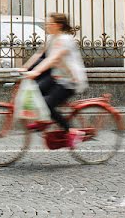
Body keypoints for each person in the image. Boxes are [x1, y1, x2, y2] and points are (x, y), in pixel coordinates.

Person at [18, 12, 88, 147]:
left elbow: (53, 58)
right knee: (35, 90)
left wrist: (36, 71)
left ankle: (72, 131)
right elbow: (39, 53)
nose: (46, 26)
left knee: (47, 104)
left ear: (58, 25)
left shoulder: (65, 40)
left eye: (49, 24)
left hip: (71, 81)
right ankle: (43, 120)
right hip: (57, 77)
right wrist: (25, 68)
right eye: (46, 23)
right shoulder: (51, 38)